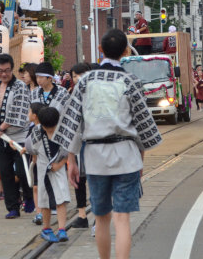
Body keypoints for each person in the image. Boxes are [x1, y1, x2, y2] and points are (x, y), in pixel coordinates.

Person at [53, 29, 162, 259]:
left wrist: (71, 160)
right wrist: (139, 160)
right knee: (122, 219)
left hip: (94, 158)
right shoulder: (130, 81)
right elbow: (142, 126)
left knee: (101, 217)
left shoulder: (85, 82)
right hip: (126, 155)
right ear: (125, 51)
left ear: (100, 50)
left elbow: (74, 122)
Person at [0, 54, 33, 219]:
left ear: (12, 69)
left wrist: (2, 127)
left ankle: (29, 196)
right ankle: (13, 207)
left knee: (22, 171)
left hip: (19, 136)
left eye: (7, 70)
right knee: (6, 173)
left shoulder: (20, 86)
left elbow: (19, 112)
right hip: (1, 137)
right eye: (0, 71)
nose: (3, 74)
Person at [24, 107, 70, 243]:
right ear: (41, 124)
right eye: (47, 128)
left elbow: (71, 151)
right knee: (44, 201)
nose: (50, 131)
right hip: (43, 168)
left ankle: (62, 229)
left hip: (59, 168)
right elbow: (30, 147)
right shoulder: (36, 131)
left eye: (53, 128)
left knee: (61, 198)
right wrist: (32, 157)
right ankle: (46, 228)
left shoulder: (64, 131)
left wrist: (61, 164)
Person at [68, 62, 92, 228]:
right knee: (79, 179)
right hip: (79, 143)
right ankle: (82, 214)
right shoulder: (71, 94)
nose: (77, 78)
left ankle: (98, 215)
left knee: (95, 179)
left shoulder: (96, 92)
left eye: (80, 74)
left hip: (94, 143)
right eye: (75, 76)